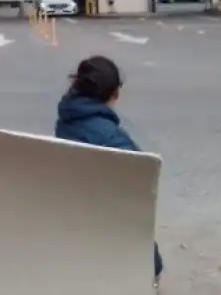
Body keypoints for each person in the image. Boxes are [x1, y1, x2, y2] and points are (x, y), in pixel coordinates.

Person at [54, 55, 164, 288]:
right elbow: (143, 177)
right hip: (110, 221)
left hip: (74, 214)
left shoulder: (66, 120)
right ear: (115, 93)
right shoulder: (111, 139)